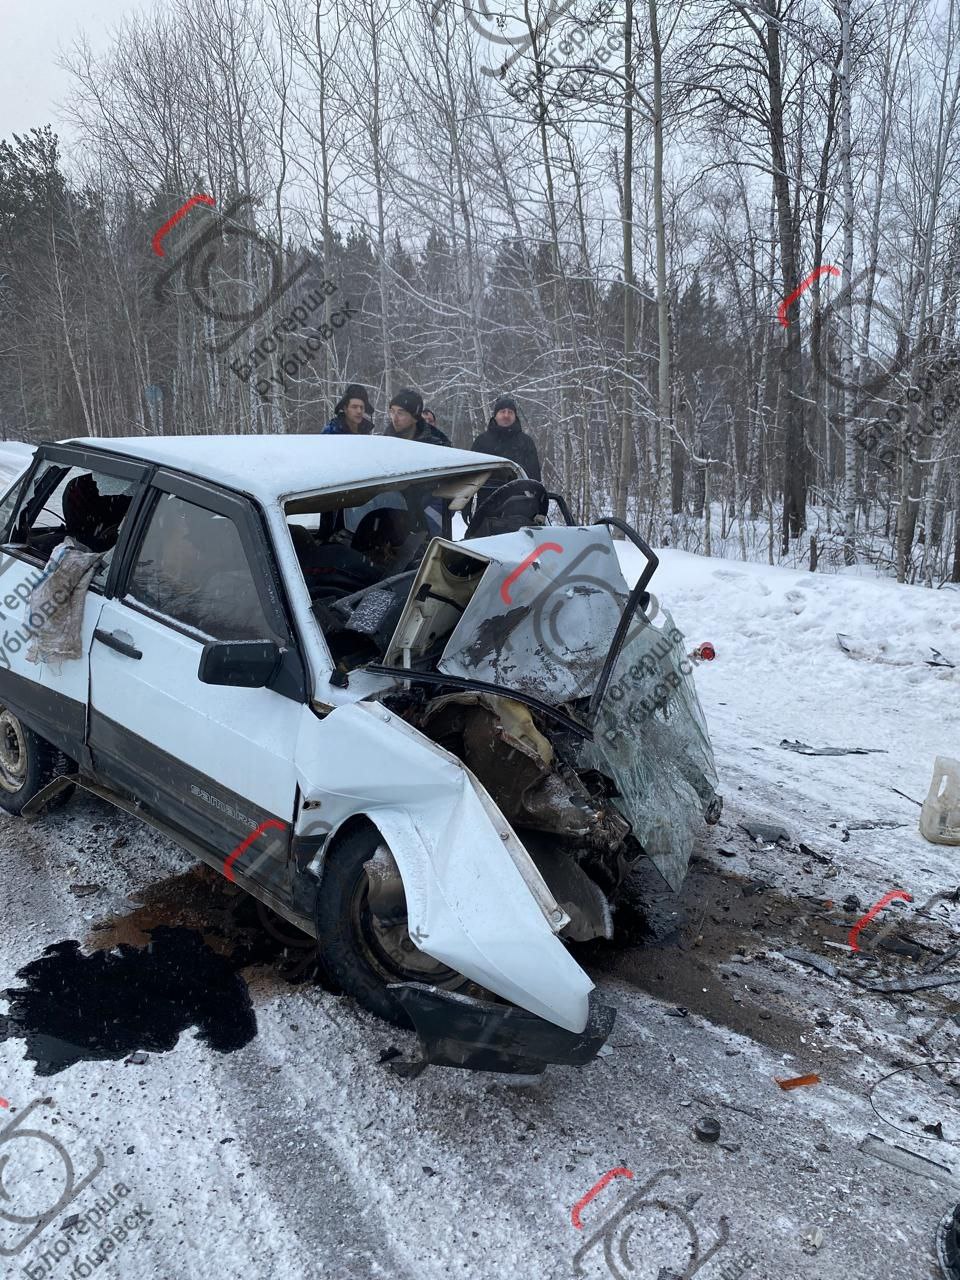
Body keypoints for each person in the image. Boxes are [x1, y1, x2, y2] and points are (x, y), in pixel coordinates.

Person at [471, 395, 541, 481]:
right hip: (487, 492)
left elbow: (535, 477)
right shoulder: (481, 441)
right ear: (495, 415)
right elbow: (471, 475)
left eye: (510, 412)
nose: (506, 415)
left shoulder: (526, 442)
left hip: (519, 492)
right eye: (502, 411)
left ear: (515, 416)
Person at [385, 389, 450, 446]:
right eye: (392, 412)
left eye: (400, 413)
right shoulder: (384, 441)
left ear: (415, 418)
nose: (395, 419)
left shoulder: (437, 446)